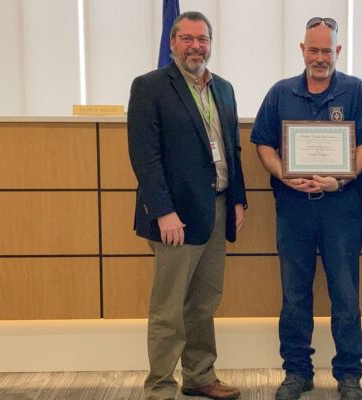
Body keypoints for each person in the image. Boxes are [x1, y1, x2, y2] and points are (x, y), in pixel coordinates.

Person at [251, 17, 362, 400]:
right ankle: (297, 371)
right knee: (294, 294)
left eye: (327, 50)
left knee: (345, 293)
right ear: (302, 50)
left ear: (337, 51)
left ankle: (349, 374)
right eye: (314, 49)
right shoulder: (281, 92)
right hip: (294, 209)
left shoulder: (355, 90)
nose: (320, 57)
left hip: (341, 208)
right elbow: (262, 143)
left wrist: (342, 178)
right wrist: (283, 174)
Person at [127, 11, 246, 400]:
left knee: (205, 301)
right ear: (173, 42)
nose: (196, 46)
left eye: (203, 39)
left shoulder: (223, 89)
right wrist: (163, 211)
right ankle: (160, 385)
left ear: (210, 43)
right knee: (169, 307)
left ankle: (199, 375)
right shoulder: (150, 87)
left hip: (216, 209)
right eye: (188, 38)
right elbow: (145, 156)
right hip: (174, 217)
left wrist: (238, 200)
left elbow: (232, 148)